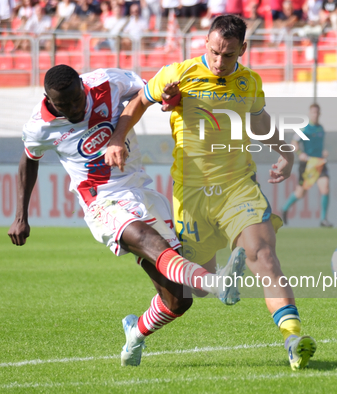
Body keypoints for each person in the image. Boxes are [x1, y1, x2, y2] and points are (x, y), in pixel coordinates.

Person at [105, 15, 317, 371]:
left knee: (262, 254)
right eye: (215, 52)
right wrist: (116, 138)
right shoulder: (178, 75)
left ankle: (293, 338)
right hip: (192, 197)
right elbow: (137, 103)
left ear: (243, 50)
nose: (220, 63)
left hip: (238, 187)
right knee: (194, 290)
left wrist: (286, 151)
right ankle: (136, 329)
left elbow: (259, 120)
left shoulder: (248, 81)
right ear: (205, 42)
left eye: (229, 56)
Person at [8, 65, 247, 367]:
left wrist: (167, 97)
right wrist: (21, 215)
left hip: (141, 191)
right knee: (150, 241)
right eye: (62, 104)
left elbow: (146, 93)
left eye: (75, 100)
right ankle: (218, 282)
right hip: (102, 202)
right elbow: (28, 160)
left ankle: (135, 332)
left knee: (181, 299)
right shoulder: (39, 126)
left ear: (83, 86)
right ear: (48, 99)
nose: (72, 109)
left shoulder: (109, 82)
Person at [281, 103, 333, 228]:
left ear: (320, 114)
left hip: (319, 163)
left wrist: (323, 152)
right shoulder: (304, 128)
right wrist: (300, 153)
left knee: (325, 187)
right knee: (300, 193)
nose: (315, 115)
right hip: (307, 165)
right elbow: (294, 143)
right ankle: (284, 209)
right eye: (313, 112)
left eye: (317, 112)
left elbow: (318, 146)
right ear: (310, 114)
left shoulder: (321, 128)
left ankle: (323, 219)